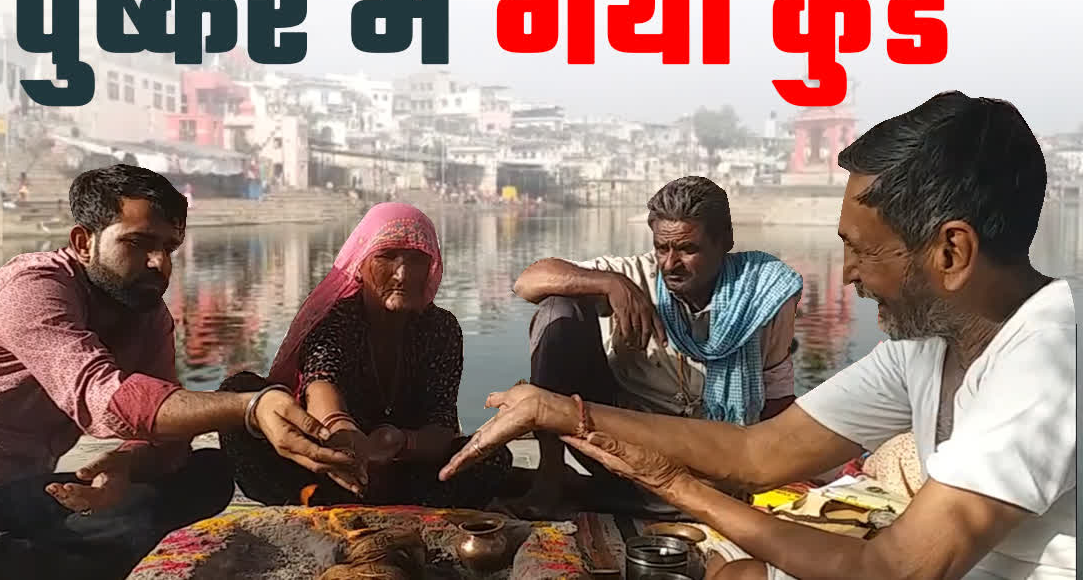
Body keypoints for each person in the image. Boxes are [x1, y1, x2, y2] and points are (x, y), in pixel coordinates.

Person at [441, 92, 1075, 580]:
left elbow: (897, 571)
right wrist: (558, 412)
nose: (848, 274)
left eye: (860, 251)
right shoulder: (926, 344)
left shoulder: (1047, 363)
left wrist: (674, 484)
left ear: (951, 251)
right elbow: (761, 453)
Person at [0, 164, 355, 580]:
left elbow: (165, 443)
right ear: (83, 241)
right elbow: (103, 397)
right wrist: (251, 406)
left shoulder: (147, 315)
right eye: (138, 244)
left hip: (28, 495)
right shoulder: (33, 289)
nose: (159, 263)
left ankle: (57, 562)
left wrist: (127, 465)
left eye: (169, 247)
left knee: (206, 472)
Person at [505, 176, 802, 518]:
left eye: (688, 250)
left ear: (725, 243)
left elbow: (777, 394)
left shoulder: (765, 292)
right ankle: (551, 477)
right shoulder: (635, 275)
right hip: (623, 442)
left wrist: (780, 470)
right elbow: (527, 282)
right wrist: (610, 284)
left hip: (717, 453)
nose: (670, 264)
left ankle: (669, 497)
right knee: (557, 307)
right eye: (663, 248)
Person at [219, 202, 513, 509]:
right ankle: (319, 500)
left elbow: (441, 425)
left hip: (407, 470)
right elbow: (321, 384)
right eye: (386, 257)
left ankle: (393, 504)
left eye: (416, 260)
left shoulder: (442, 328)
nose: (402, 274)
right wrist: (343, 431)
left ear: (431, 267)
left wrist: (400, 442)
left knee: (494, 456)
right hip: (332, 466)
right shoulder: (336, 319)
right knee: (238, 393)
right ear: (360, 263)